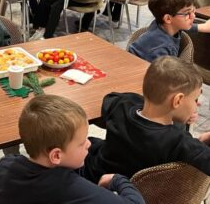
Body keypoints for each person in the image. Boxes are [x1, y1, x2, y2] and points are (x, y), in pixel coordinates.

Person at [0, 94, 143, 204]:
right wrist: (117, 180)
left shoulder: (6, 165)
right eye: (82, 142)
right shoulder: (73, 188)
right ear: (56, 155)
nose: (89, 144)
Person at [84, 56, 210, 184]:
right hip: (126, 191)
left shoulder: (122, 105)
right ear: (178, 100)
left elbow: (109, 99)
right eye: (195, 100)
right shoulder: (176, 140)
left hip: (91, 172)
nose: (196, 106)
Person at [128, 0, 210, 62]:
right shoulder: (161, 49)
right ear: (168, 18)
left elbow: (182, 25)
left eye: (193, 11)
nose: (193, 16)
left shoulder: (163, 25)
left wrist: (203, 27)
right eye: (187, 14)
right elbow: (158, 75)